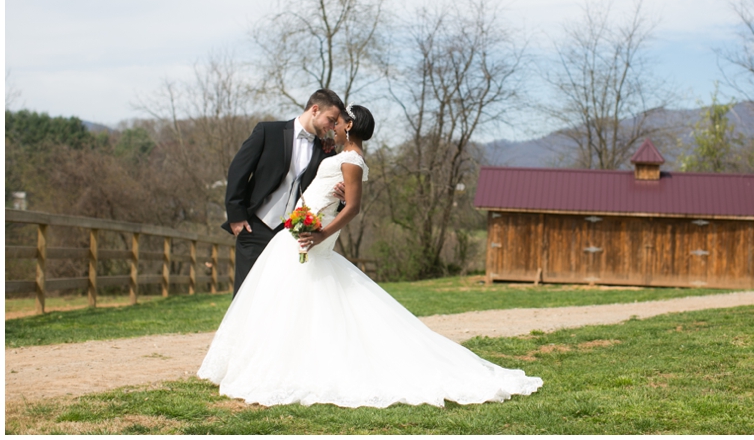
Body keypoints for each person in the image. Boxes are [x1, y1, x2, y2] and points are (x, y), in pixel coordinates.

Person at [198, 104, 542, 408]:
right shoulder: (340, 154)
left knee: (293, 297)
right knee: (281, 299)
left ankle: (285, 366)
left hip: (311, 235)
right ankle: (260, 360)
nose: (334, 124)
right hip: (296, 229)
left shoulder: (352, 160)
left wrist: (322, 232)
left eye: (340, 120)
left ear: (349, 125)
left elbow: (354, 207)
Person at [222, 88, 345, 296]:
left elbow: (326, 189)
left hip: (291, 234)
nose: (333, 127)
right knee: (246, 294)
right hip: (255, 227)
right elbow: (238, 170)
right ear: (315, 110)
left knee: (282, 295)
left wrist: (341, 198)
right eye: (331, 120)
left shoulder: (326, 150)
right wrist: (236, 216)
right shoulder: (267, 132)